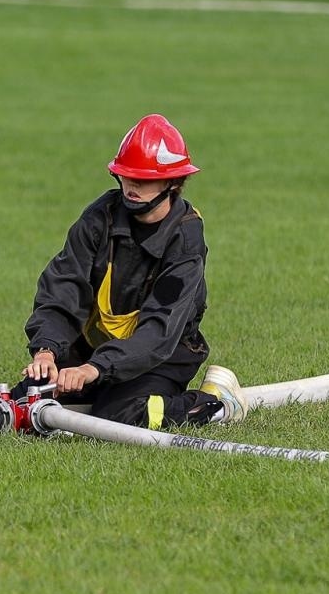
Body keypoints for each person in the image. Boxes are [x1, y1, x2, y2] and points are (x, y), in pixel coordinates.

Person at [18, 114, 247, 429]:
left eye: (144, 178)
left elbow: (158, 330)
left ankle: (214, 403)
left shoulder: (185, 239)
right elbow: (64, 287)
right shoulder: (98, 220)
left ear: (173, 183)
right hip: (99, 347)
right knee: (25, 401)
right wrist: (47, 351)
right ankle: (96, 388)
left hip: (163, 355)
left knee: (117, 416)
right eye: (127, 175)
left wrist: (94, 369)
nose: (132, 186)